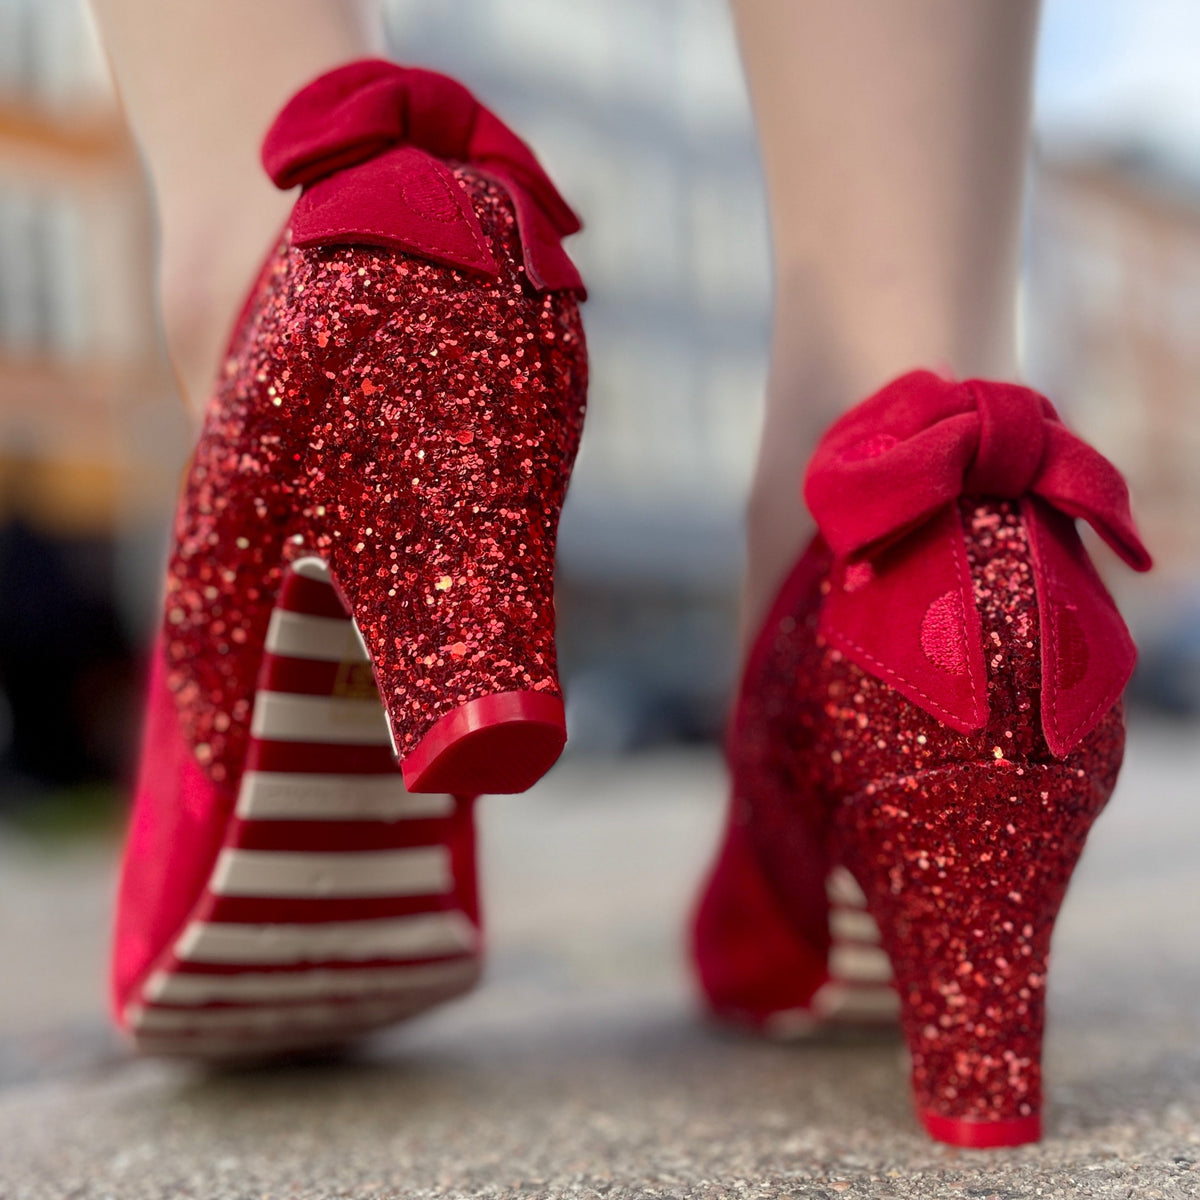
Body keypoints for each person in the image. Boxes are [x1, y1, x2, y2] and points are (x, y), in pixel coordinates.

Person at [90, 0, 1149, 1148]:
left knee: (262, 179)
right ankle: (907, 491)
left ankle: (283, 250)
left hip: (325, 324)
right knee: (905, 348)